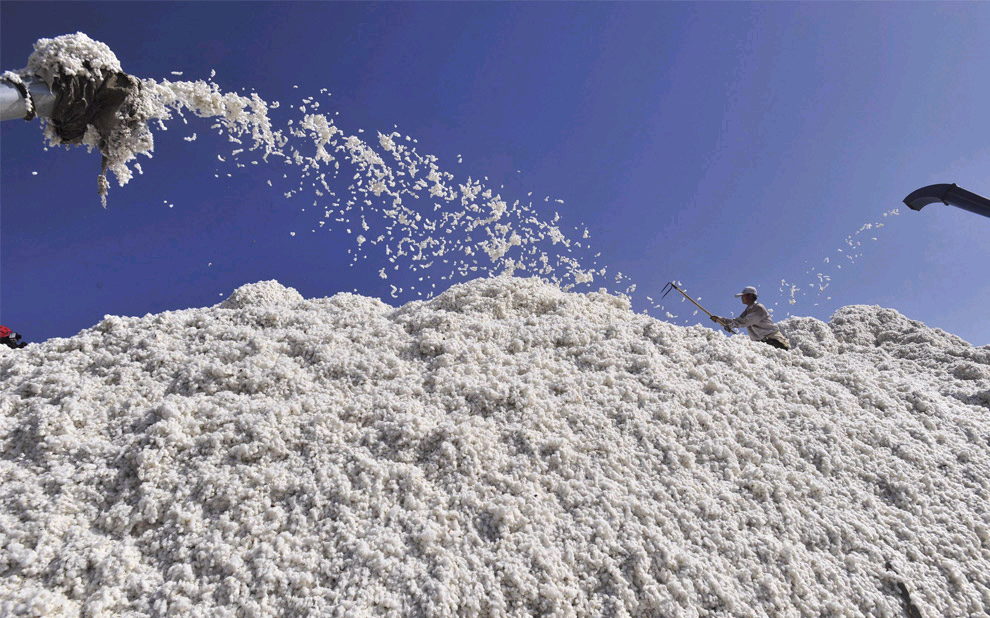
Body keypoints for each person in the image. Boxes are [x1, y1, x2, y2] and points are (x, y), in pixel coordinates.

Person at [711, 286, 791, 350]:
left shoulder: (759, 308)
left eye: (743, 296)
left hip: (776, 341)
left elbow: (745, 321)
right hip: (764, 344)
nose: (741, 298)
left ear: (750, 295)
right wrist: (719, 319)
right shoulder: (748, 310)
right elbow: (737, 320)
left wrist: (731, 325)